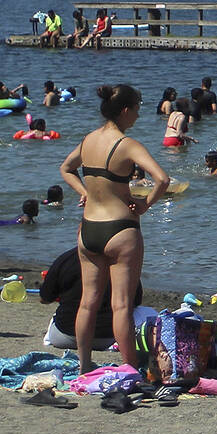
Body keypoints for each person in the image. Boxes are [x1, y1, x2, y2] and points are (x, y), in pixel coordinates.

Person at [57, 84, 170, 372]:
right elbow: (162, 179)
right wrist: (145, 205)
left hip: (89, 230)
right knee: (121, 305)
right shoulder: (128, 144)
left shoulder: (89, 140)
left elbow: (66, 168)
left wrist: (84, 191)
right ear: (124, 110)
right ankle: (130, 368)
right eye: (137, 108)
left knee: (88, 302)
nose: (138, 114)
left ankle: (84, 365)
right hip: (120, 230)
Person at [38, 246, 144, 351]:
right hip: (111, 338)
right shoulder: (121, 261)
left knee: (60, 315)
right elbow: (136, 301)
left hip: (63, 337)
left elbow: (45, 298)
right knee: (144, 313)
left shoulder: (66, 259)